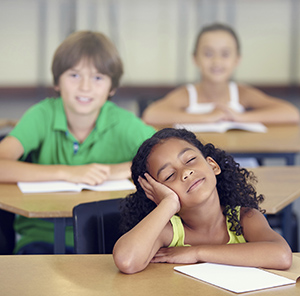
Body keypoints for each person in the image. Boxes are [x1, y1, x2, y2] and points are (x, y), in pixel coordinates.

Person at [0, 31, 155, 254]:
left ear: (111, 88)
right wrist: (68, 172)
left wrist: (116, 170)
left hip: (109, 239)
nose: (85, 87)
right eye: (74, 75)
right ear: (57, 82)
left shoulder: (123, 122)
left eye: (98, 77)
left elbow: (170, 156)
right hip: (42, 238)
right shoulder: (42, 115)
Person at [113, 128, 292, 274]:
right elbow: (127, 261)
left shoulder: (244, 218)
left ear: (213, 165)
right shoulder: (169, 231)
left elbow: (282, 256)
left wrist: (197, 252)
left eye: (190, 160)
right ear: (156, 192)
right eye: (169, 175)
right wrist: (168, 204)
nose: (185, 172)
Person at [142, 23, 299, 126]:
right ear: (195, 58)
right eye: (208, 53)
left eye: (225, 54)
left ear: (237, 59)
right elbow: (151, 115)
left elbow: (291, 114)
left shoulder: (242, 93)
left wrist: (240, 118)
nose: (217, 62)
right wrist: (207, 118)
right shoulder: (187, 94)